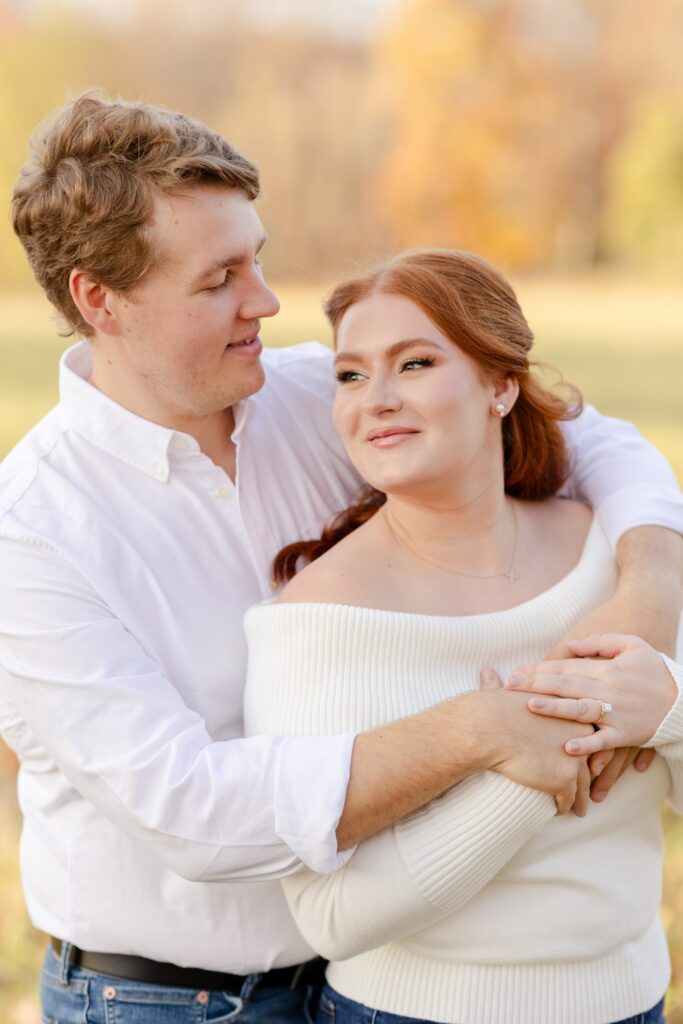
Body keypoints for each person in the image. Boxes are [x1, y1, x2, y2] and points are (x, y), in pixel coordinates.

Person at [0, 93, 681, 1023]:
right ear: (98, 299)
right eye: (219, 280)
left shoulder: (314, 396)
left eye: (259, 258)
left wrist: (645, 591)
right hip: (162, 998)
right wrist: (485, 729)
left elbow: (589, 437)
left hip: (357, 983)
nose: (267, 302)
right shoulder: (33, 531)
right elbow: (189, 810)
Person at [243, 248, 683, 1024]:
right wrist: (520, 762)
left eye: (414, 363)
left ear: (500, 385)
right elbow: (329, 916)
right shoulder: (318, 618)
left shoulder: (612, 554)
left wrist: (667, 712)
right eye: (350, 375)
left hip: (632, 1004)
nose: (375, 399)